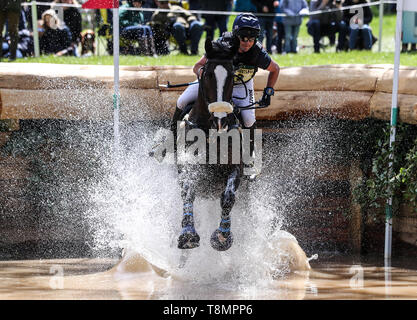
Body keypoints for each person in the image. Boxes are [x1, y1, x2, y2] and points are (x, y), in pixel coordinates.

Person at [172, 13, 280, 134]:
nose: (247, 43)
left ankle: (251, 149)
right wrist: (203, 75)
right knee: (182, 101)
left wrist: (268, 91)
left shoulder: (258, 53)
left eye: (251, 39)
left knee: (249, 120)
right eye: (243, 38)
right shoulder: (222, 45)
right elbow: (197, 66)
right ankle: (171, 135)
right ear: (235, 35)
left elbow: (275, 69)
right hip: (213, 83)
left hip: (241, 86)